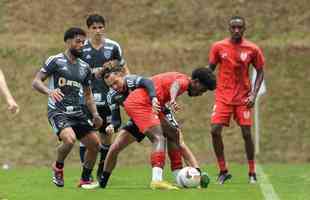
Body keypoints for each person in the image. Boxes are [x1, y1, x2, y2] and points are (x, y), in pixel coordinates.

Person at [99, 67, 216, 190]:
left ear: (120, 76)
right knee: (158, 138)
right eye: (202, 90)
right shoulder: (184, 81)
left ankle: (184, 177)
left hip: (151, 107)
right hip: (142, 105)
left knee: (174, 135)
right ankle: (156, 180)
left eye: (115, 82)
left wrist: (163, 98)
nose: (200, 94)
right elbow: (175, 85)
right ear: (196, 82)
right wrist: (172, 98)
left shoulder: (132, 80)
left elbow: (148, 82)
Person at [32, 27, 103, 188]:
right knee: (69, 140)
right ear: (68, 41)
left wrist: (95, 114)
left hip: (77, 113)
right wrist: (49, 91)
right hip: (58, 111)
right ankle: (58, 167)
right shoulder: (55, 60)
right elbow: (36, 81)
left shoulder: (84, 67)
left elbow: (88, 94)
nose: (81, 45)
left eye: (83, 42)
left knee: (95, 145)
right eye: (78, 41)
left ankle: (85, 179)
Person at [208, 16, 265, 184]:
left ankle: (252, 171)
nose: (236, 30)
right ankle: (223, 170)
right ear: (229, 28)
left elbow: (260, 71)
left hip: (243, 98)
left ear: (244, 29)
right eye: (233, 27)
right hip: (223, 96)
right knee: (214, 130)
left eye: (239, 27)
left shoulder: (252, 49)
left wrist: (253, 94)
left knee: (247, 133)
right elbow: (210, 68)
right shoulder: (218, 47)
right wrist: (198, 78)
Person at [79, 13, 129, 180]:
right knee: (86, 138)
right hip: (87, 99)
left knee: (107, 137)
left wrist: (128, 87)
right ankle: (86, 174)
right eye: (94, 28)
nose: (98, 31)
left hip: (109, 99)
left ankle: (101, 171)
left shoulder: (113, 47)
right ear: (88, 30)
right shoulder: (81, 48)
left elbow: (123, 68)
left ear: (104, 28)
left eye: (100, 27)